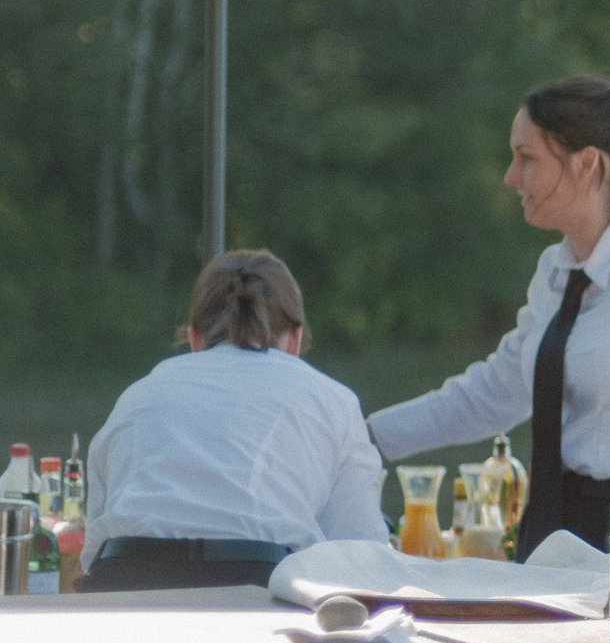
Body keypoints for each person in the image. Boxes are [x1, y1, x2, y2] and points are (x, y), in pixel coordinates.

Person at [369, 74, 610, 553]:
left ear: (586, 165)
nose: (510, 177)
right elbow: (494, 392)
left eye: (527, 159)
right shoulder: (556, 272)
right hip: (559, 525)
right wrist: (367, 438)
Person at [80, 249, 388, 593]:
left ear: (195, 338)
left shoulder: (138, 394)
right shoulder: (333, 399)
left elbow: (95, 531)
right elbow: (360, 552)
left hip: (124, 581)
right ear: (296, 339)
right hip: (256, 585)